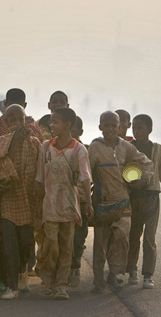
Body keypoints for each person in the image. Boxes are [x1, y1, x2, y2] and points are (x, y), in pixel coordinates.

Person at [89, 111, 153, 294]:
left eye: (113, 126)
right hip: (102, 202)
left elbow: (147, 163)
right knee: (100, 245)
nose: (110, 129)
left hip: (123, 202)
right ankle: (98, 280)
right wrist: (85, 199)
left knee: (122, 238)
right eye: (106, 125)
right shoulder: (95, 147)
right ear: (100, 127)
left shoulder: (125, 147)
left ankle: (114, 273)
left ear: (119, 128)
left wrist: (144, 180)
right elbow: (85, 174)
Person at [34, 108, 93, 300]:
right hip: (49, 204)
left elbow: (85, 177)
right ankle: (47, 281)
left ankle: (60, 285)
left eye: (55, 122)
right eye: (51, 122)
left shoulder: (79, 149)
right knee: (49, 245)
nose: (51, 126)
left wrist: (88, 203)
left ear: (67, 125)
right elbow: (40, 178)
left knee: (66, 246)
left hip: (69, 204)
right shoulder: (45, 147)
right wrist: (37, 203)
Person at [0, 88, 42, 292]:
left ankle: (21, 273)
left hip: (29, 200)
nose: (17, 122)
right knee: (8, 243)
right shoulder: (1, 138)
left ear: (25, 118)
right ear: (6, 117)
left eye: (20, 118)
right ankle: (9, 284)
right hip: (8, 199)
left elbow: (41, 166)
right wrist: (7, 178)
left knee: (27, 243)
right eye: (12, 118)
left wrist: (38, 184)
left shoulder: (34, 139)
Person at [126, 114, 161, 289]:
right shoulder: (129, 148)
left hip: (152, 197)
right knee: (133, 235)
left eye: (140, 128)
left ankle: (148, 274)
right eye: (134, 127)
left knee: (149, 237)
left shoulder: (157, 149)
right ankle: (131, 269)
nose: (137, 130)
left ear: (150, 129)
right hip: (133, 197)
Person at [68, 116, 90, 287]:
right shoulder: (56, 148)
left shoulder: (86, 150)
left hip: (82, 200)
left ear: (80, 132)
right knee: (64, 238)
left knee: (78, 238)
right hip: (63, 200)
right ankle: (64, 270)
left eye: (74, 129)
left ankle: (75, 266)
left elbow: (91, 177)